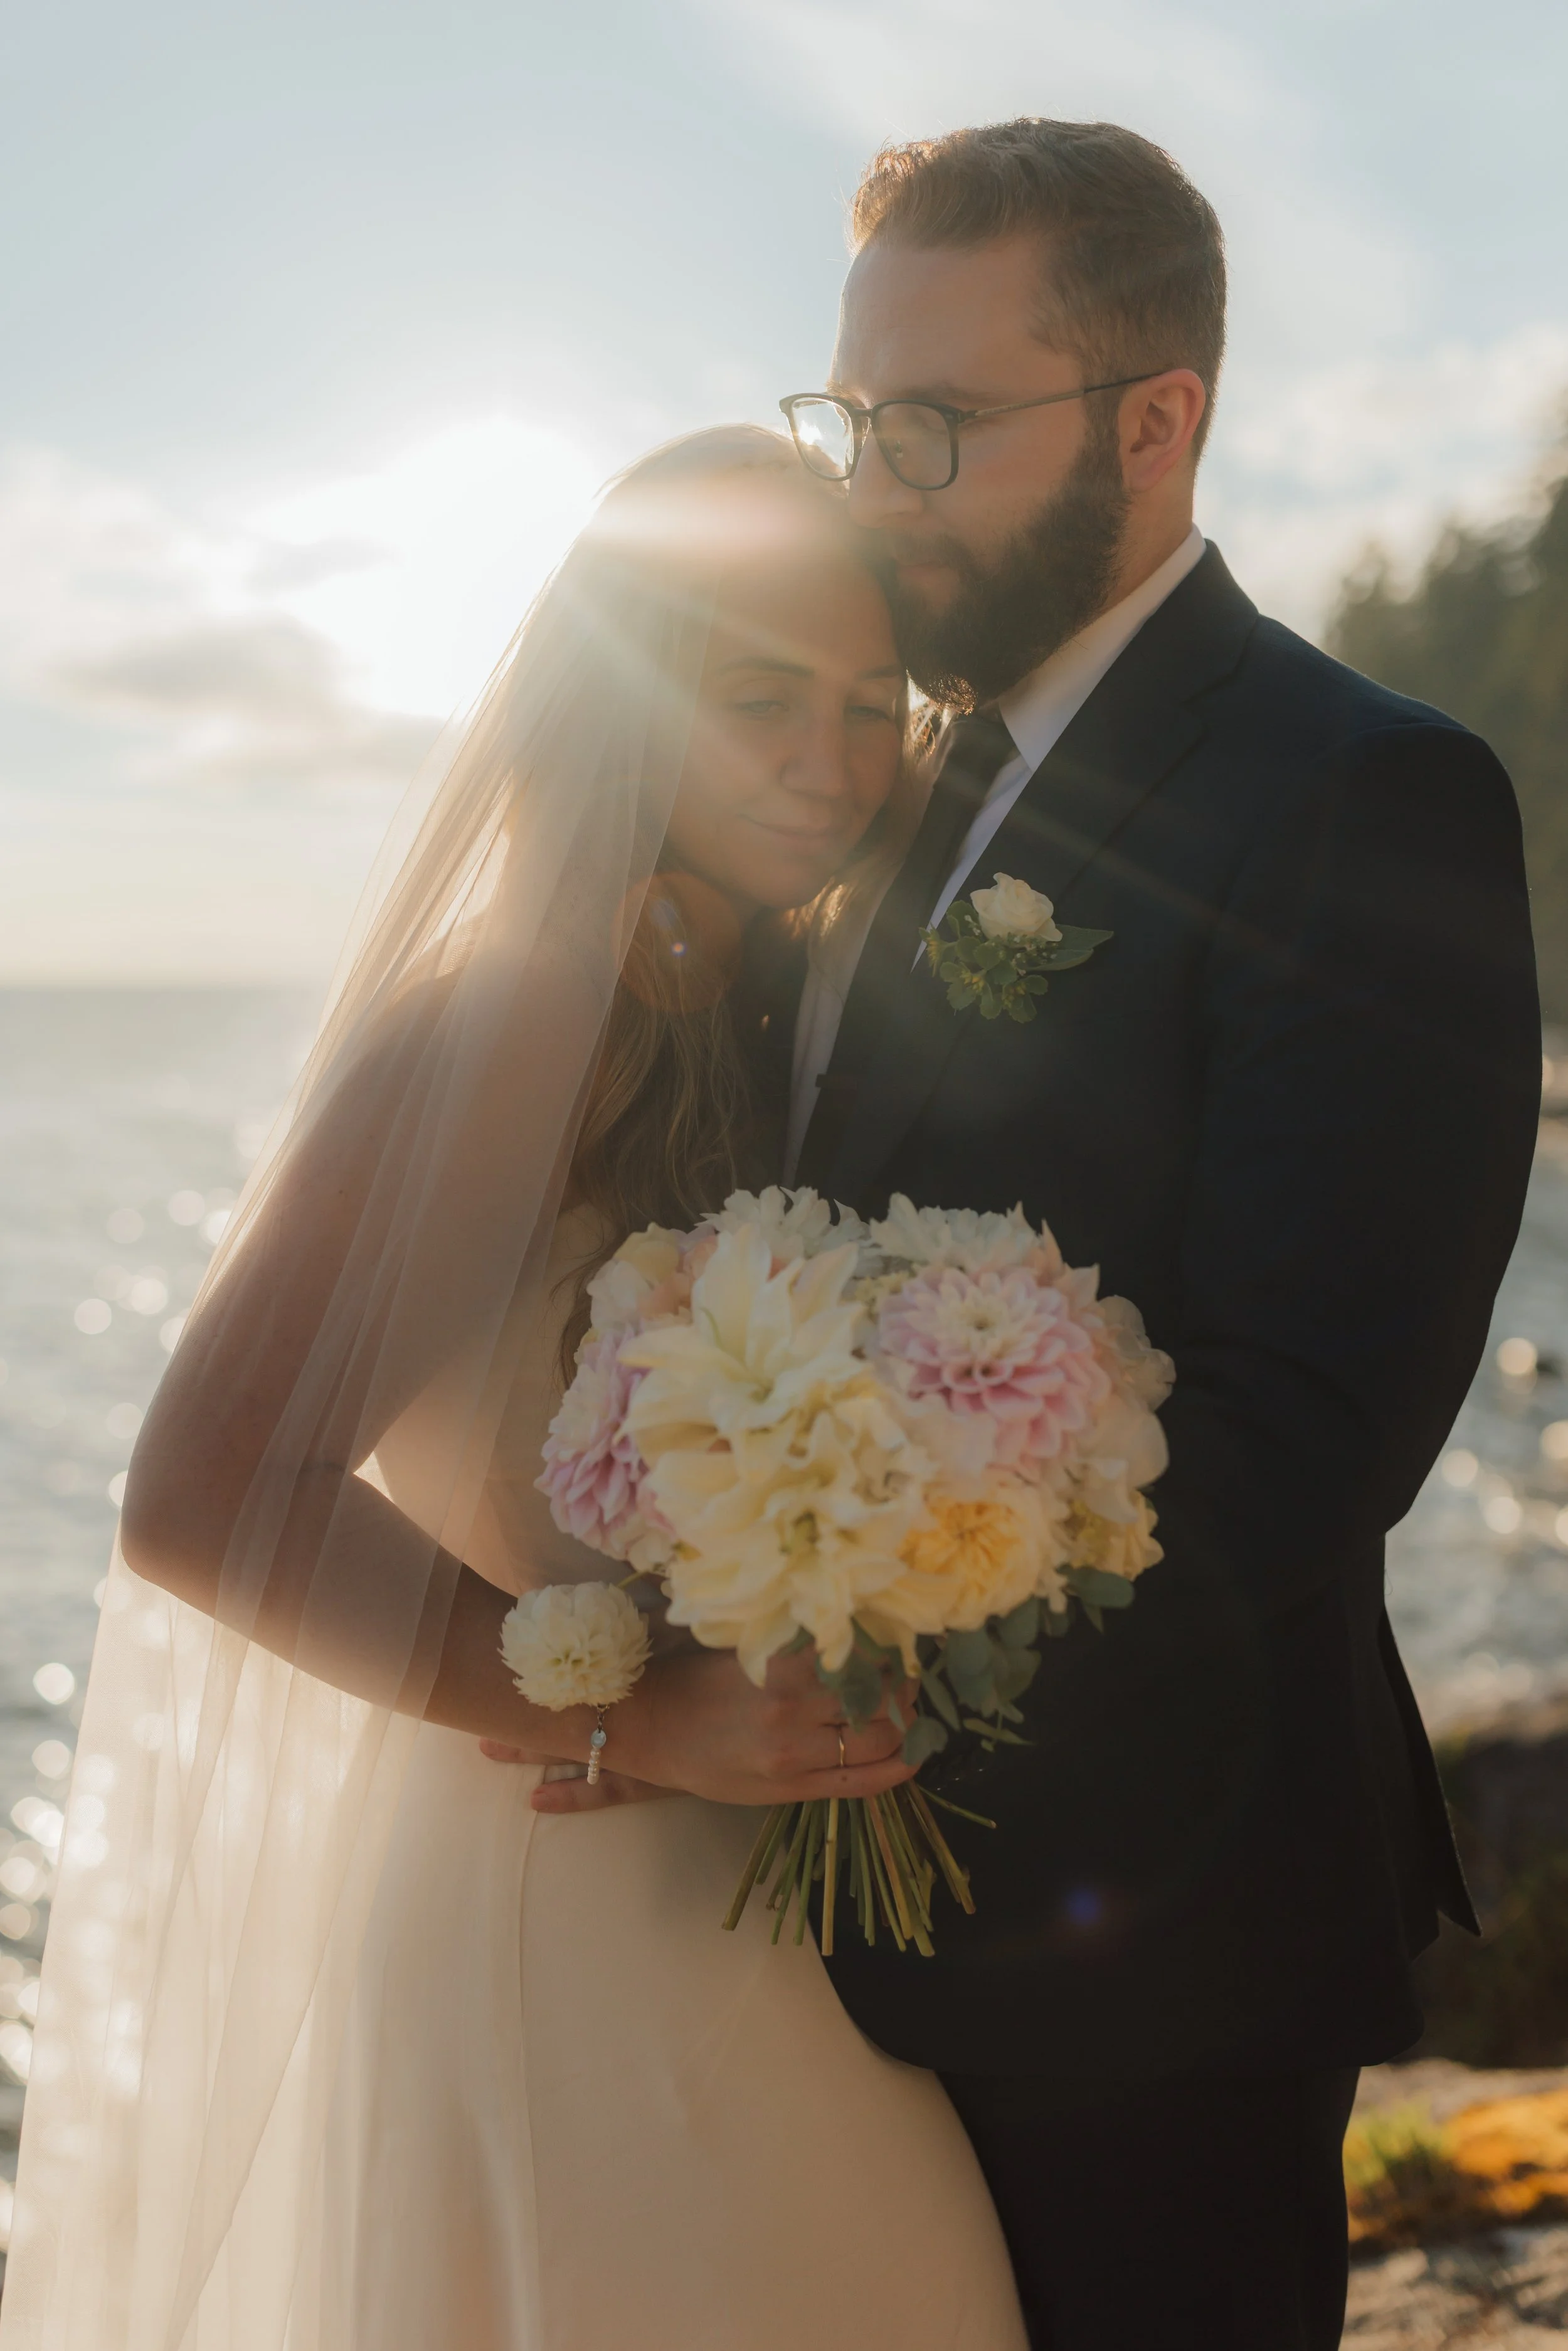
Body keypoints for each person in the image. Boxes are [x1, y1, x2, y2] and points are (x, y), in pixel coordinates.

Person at [0, 429, 1028, 2351]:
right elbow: (205, 1487)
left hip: (697, 1885)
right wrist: (648, 1717)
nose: (828, 757)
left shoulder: (708, 1003)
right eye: (754, 699)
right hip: (569, 1902)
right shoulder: (528, 1002)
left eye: (865, 704)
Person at [761, 118, 1540, 2350]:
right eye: (851, 419)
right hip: (829, 1907)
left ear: (1154, 418)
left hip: (1153, 1926)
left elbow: (1312, 1415)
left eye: (932, 427)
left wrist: (881, 1646)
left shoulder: (1354, 785)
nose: (870, 485)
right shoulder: (889, 769)